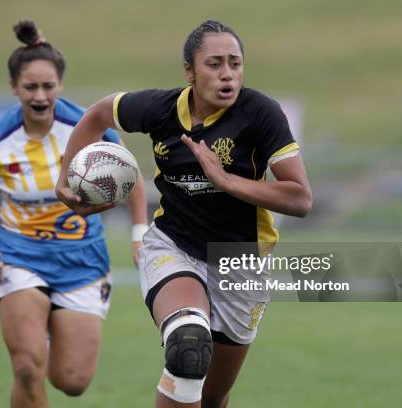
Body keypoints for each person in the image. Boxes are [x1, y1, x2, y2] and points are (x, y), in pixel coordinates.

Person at [56, 20, 312, 408]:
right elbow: (98, 114)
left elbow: (299, 199)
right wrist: (65, 179)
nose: (227, 73)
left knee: (212, 395)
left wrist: (226, 180)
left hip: (239, 263)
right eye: (214, 64)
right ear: (189, 72)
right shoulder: (160, 109)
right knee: (188, 349)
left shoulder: (261, 113)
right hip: (172, 245)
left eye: (235, 63)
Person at [0, 20, 147, 408]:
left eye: (48, 86)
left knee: (72, 381)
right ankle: (29, 335)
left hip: (83, 259)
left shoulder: (86, 128)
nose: (40, 96)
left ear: (60, 84)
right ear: (14, 88)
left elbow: (133, 176)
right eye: (30, 87)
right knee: (27, 367)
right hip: (18, 256)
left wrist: (139, 231)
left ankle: (41, 334)